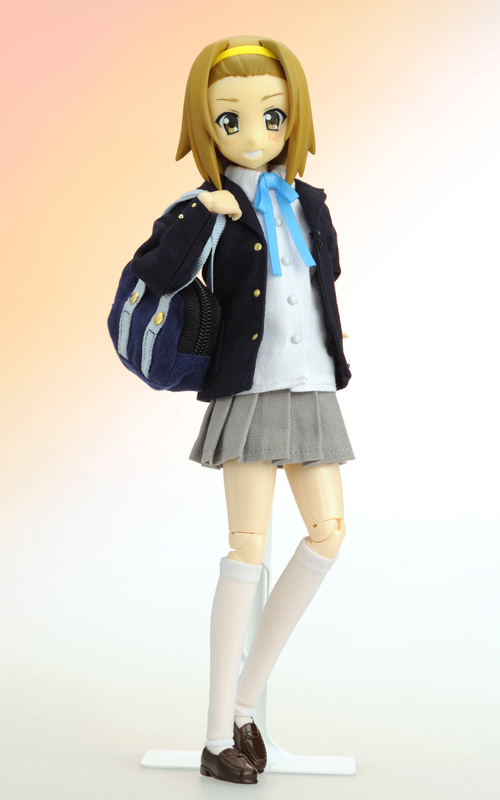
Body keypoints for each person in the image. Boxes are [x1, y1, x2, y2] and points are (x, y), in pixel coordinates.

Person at [129, 35, 354, 784]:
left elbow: (323, 284)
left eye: (272, 116)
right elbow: (154, 273)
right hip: (250, 389)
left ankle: (244, 707)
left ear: (294, 119)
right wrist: (204, 215)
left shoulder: (309, 202)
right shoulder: (207, 208)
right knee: (246, 550)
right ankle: (213, 734)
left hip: (311, 384)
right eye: (230, 120)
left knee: (328, 534)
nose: (254, 134)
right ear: (206, 125)